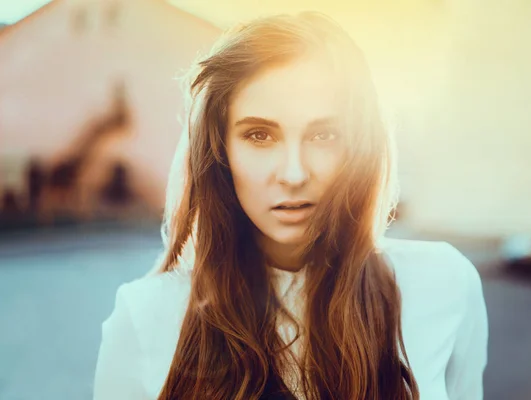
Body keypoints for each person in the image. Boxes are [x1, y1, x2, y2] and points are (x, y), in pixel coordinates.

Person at [93, 12, 488, 400]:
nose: (294, 174)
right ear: (220, 151)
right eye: (260, 135)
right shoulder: (145, 317)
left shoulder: (444, 284)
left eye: (324, 134)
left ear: (360, 146)